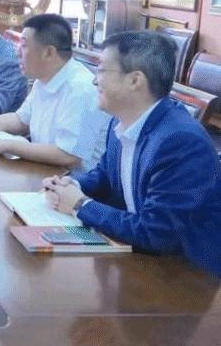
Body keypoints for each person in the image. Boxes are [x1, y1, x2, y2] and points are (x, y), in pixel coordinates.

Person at [44, 31, 221, 278]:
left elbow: (156, 232)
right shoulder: (122, 121)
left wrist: (80, 204)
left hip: (185, 278)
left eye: (101, 71)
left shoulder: (180, 142)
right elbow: (106, 176)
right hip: (139, 259)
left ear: (135, 80)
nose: (94, 81)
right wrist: (69, 186)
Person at [0, 13, 110, 171]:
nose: (17, 52)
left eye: (24, 45)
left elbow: (68, 155)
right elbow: (20, 121)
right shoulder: (42, 79)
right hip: (45, 171)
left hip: (72, 180)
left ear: (49, 52)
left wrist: (5, 145)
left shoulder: (81, 88)